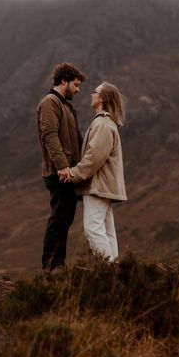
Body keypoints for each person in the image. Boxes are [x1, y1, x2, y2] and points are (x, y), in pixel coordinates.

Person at [60, 82, 126, 262]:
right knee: (106, 231)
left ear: (102, 98)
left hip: (98, 186)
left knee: (93, 230)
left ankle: (109, 272)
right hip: (103, 186)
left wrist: (72, 174)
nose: (91, 94)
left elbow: (93, 158)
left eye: (94, 92)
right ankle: (115, 272)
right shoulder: (105, 123)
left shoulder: (103, 124)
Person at [36, 62, 86, 271]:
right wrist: (63, 167)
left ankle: (59, 264)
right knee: (59, 217)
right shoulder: (50, 103)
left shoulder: (65, 106)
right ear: (63, 81)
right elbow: (50, 136)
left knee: (65, 218)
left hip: (68, 173)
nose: (77, 89)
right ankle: (52, 265)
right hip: (59, 173)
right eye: (75, 84)